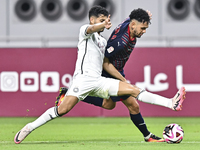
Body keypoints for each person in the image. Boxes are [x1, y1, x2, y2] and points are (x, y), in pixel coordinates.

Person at [14, 6, 185, 144]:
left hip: (100, 80)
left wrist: (142, 15)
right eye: (100, 21)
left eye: (106, 20)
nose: (104, 23)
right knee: (62, 110)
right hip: (83, 81)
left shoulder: (103, 41)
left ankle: (170, 103)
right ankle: (29, 127)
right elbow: (92, 29)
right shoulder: (85, 33)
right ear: (92, 20)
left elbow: (108, 57)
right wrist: (102, 25)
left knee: (129, 93)